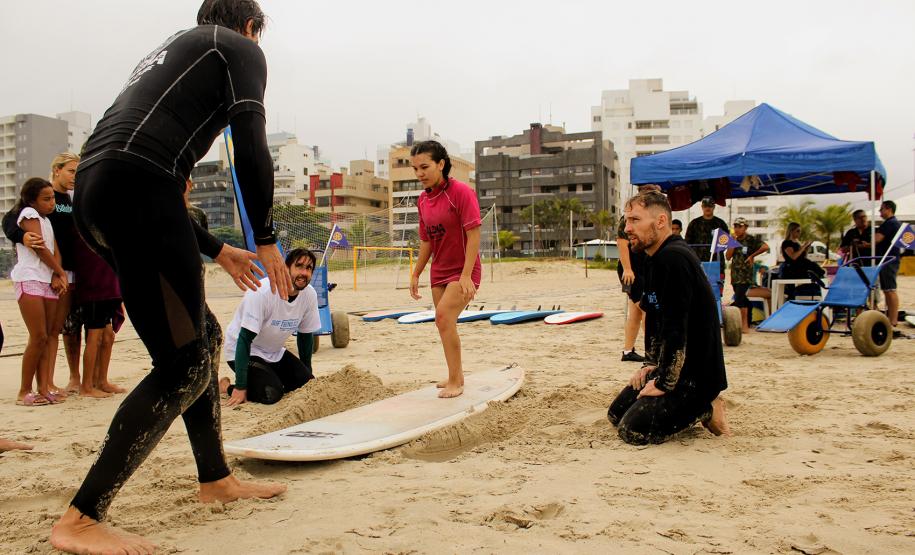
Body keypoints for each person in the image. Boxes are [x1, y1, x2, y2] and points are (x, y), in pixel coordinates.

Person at [50, 2, 291, 554]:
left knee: (200, 340)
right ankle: (82, 517)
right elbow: (249, 147)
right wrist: (266, 236)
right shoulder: (238, 48)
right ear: (251, 27)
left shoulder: (174, 50)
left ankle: (216, 478)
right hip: (141, 189)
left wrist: (218, 247)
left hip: (98, 192)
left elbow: (131, 159)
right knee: (183, 364)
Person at [607, 190, 730, 445]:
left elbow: (676, 329)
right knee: (616, 414)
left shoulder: (674, 259)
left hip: (696, 376)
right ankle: (677, 393)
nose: (627, 228)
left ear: (661, 221)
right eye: (627, 220)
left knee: (633, 430)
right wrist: (650, 364)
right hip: (674, 366)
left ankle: (707, 407)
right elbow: (653, 317)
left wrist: (663, 382)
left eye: (635, 220)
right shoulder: (653, 256)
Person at [4, 153, 83, 396]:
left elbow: (57, 242)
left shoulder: (72, 199)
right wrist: (20, 236)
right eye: (71, 171)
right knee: (41, 334)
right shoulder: (36, 205)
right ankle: (32, 387)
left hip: (65, 270)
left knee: (56, 330)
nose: (74, 177)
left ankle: (48, 384)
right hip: (40, 274)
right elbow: (10, 220)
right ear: (57, 170)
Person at [409, 140, 481, 399]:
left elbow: (474, 234)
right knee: (444, 323)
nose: (419, 174)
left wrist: (465, 276)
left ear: (441, 164)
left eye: (425, 167)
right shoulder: (423, 201)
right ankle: (456, 375)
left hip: (463, 271)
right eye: (415, 168)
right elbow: (427, 240)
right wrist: (416, 272)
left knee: (442, 317)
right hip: (438, 271)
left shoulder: (461, 192)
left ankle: (455, 382)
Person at [220, 248, 321, 405]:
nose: (304, 272)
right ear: (286, 268)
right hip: (242, 351)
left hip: (274, 352)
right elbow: (244, 339)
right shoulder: (263, 291)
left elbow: (305, 336)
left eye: (309, 268)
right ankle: (226, 386)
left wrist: (307, 374)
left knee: (306, 385)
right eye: (299, 266)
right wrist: (240, 387)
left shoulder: (309, 295)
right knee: (271, 394)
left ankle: (268, 377)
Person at [10, 178, 68, 406]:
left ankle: (43, 387)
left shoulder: (47, 220)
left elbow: (54, 249)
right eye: (46, 199)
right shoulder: (28, 215)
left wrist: (57, 274)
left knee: (47, 335)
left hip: (46, 279)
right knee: (38, 336)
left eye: (53, 198)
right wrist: (60, 272)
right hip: (30, 277)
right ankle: (24, 390)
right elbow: (40, 248)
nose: (52, 202)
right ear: (31, 200)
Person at [615, 184, 662, 362]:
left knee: (636, 311)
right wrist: (628, 269)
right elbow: (621, 242)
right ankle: (653, 352)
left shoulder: (649, 216)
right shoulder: (629, 217)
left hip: (643, 267)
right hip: (632, 269)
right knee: (645, 309)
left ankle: (628, 351)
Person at [726, 217, 769, 332]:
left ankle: (744, 325)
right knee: (741, 298)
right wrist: (732, 243)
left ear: (745, 227)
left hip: (745, 275)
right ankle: (747, 321)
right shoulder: (733, 240)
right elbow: (728, 257)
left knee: (740, 298)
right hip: (735, 274)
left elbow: (765, 247)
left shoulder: (751, 240)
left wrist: (752, 255)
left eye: (740, 226)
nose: (737, 229)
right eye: (735, 226)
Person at [684, 196, 729, 290]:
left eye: (710, 206)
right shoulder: (694, 223)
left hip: (716, 263)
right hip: (698, 263)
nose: (708, 208)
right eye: (705, 206)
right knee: (698, 289)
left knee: (716, 290)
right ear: (702, 207)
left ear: (714, 207)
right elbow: (688, 243)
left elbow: (726, 243)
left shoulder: (720, 223)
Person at [873, 200, 902, 328]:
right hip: (889, 259)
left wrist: (868, 241)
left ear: (888, 209)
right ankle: (891, 318)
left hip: (888, 259)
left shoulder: (890, 223)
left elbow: (877, 239)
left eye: (881, 209)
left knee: (890, 290)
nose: (880, 212)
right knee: (887, 290)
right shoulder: (893, 223)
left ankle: (893, 319)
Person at [779, 222, 825, 298]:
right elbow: (793, 257)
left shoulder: (797, 242)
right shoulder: (787, 243)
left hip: (801, 265)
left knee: (817, 272)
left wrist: (806, 248)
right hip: (792, 269)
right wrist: (803, 247)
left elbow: (802, 256)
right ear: (791, 231)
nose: (799, 233)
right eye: (797, 231)